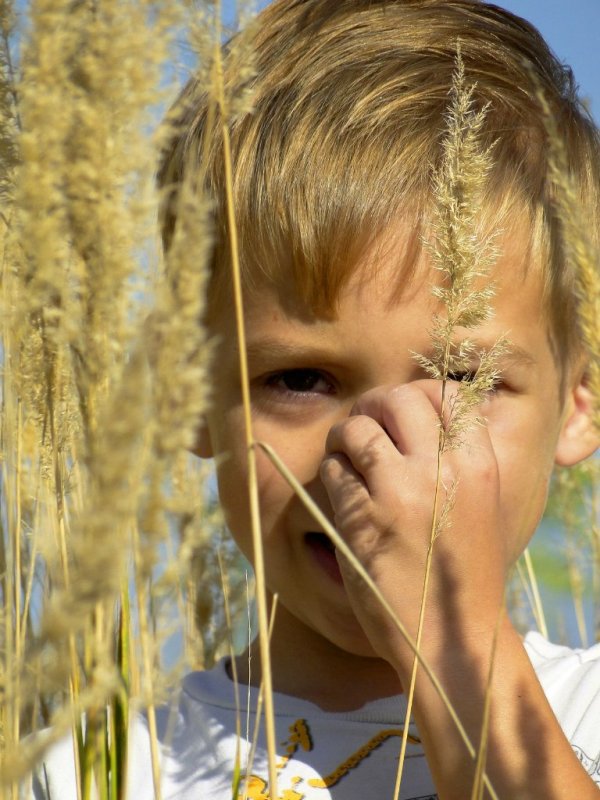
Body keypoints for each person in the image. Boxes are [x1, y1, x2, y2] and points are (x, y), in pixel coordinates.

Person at [33, 1, 600, 798]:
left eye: (463, 382)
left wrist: (455, 644)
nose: (382, 450)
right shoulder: (108, 769)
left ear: (581, 402)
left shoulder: (584, 717)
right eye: (300, 380)